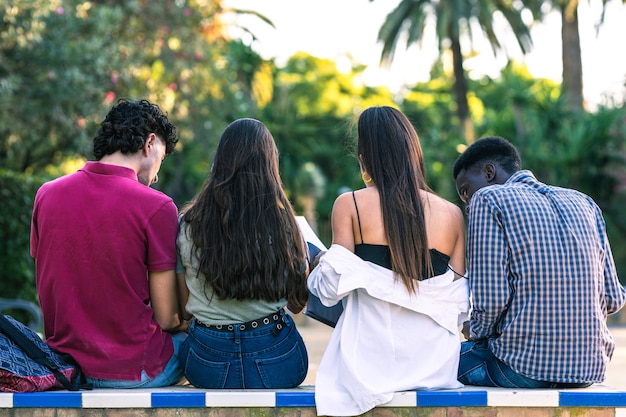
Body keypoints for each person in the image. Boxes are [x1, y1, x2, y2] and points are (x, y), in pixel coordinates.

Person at [308, 106, 469, 416]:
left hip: (366, 368)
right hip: (435, 368)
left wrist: (318, 262)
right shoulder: (452, 214)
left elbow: (328, 291)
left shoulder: (350, 204)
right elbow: (459, 305)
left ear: (365, 157)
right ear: (413, 151)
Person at [30, 99, 188, 388]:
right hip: (134, 372)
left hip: (63, 369)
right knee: (200, 345)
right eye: (161, 160)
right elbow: (167, 319)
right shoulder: (158, 206)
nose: (156, 176)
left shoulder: (46, 195)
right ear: (149, 143)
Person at [453, 135, 626, 388]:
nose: (467, 205)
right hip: (589, 370)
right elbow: (614, 299)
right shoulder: (585, 203)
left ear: (489, 172)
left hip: (520, 368)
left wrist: (474, 329)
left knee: (429, 364)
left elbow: (492, 301)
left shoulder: (488, 199)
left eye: (466, 191)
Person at [176, 118, 309, 389]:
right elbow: (298, 304)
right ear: (269, 164)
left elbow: (183, 307)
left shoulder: (189, 225)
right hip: (279, 359)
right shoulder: (287, 225)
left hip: (207, 363)